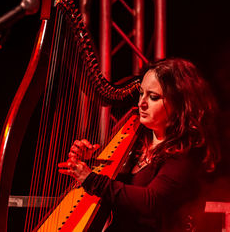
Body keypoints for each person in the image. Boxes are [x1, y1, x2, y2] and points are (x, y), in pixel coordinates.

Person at [58, 58, 219, 231]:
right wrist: (90, 162)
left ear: (178, 103)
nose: (141, 103)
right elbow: (119, 190)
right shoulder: (136, 139)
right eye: (141, 93)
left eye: (153, 97)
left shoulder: (186, 152)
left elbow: (152, 201)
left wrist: (92, 179)